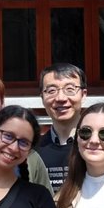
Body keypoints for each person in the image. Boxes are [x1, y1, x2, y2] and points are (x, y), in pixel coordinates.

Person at [35, 62, 86, 192]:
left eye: (70, 89)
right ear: (42, 97)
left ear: (83, 94)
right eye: (51, 90)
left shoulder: (96, 145)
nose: (61, 98)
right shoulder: (33, 150)